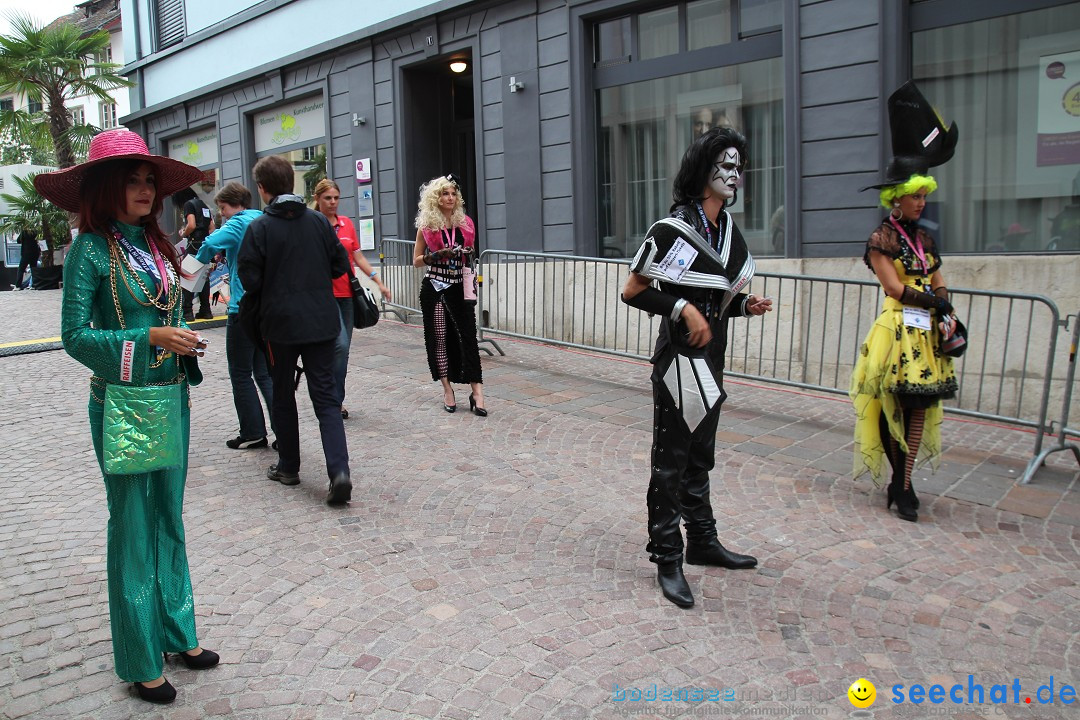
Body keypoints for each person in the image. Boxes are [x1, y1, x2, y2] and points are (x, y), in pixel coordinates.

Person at [35, 128, 218, 704]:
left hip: (170, 396)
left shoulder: (155, 246)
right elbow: (74, 336)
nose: (143, 189)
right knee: (133, 525)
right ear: (105, 187)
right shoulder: (90, 249)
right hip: (122, 404)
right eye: (131, 179)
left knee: (170, 514)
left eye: (148, 180)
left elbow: (165, 309)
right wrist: (151, 336)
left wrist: (179, 339)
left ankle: (177, 630)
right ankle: (140, 659)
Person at [620, 127, 772, 608]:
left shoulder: (728, 232)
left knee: (700, 453)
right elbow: (634, 290)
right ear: (702, 172)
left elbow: (715, 296)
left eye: (738, 167)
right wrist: (681, 308)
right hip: (679, 359)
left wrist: (743, 306)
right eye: (724, 166)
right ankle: (668, 556)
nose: (734, 175)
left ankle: (702, 540)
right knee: (671, 460)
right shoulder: (675, 231)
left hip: (712, 356)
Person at [852, 81, 961, 523]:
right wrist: (935, 304)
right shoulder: (882, 238)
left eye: (924, 194)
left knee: (920, 407)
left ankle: (905, 483)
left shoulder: (925, 238)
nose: (921, 201)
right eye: (915, 194)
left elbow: (937, 277)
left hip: (926, 337)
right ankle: (899, 478)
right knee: (888, 404)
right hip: (896, 330)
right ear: (896, 197)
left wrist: (944, 303)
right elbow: (895, 288)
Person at [236, 156, 353, 505]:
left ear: (262, 188)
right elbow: (339, 266)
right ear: (291, 183)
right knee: (327, 399)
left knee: (283, 394)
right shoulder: (318, 222)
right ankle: (339, 472)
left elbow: (249, 278)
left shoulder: (259, 228)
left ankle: (288, 466)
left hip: (279, 326)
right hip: (320, 322)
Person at [192, 181, 274, 450]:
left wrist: (202, 257)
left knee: (240, 373)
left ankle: (252, 432)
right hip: (266, 308)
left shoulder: (237, 223)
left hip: (242, 307)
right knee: (264, 373)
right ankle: (283, 431)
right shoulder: (263, 219)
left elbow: (208, 245)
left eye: (223, 208)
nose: (222, 214)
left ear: (231, 205)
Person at [312, 179, 391, 420]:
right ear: (318, 199)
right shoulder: (312, 224)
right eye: (328, 198)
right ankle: (330, 398)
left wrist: (377, 280)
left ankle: (336, 400)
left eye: (336, 197)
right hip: (323, 296)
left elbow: (357, 257)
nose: (333, 202)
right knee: (339, 345)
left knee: (342, 352)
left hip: (347, 294)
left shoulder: (346, 224)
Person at [412, 174, 486, 416]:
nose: (450, 198)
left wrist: (468, 252)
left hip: (459, 286)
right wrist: (434, 256)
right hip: (435, 287)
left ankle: (478, 392)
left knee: (468, 338)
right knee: (440, 338)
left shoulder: (465, 224)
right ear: (436, 198)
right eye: (445, 194)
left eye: (453, 194)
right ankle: (447, 389)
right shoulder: (427, 227)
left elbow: (470, 255)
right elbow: (415, 261)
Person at [173, 187, 215, 321]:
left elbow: (191, 225)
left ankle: (187, 312)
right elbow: (212, 227)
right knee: (203, 278)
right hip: (204, 244)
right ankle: (206, 310)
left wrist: (184, 233)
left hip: (193, 244)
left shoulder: (188, 204)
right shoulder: (204, 205)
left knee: (188, 277)